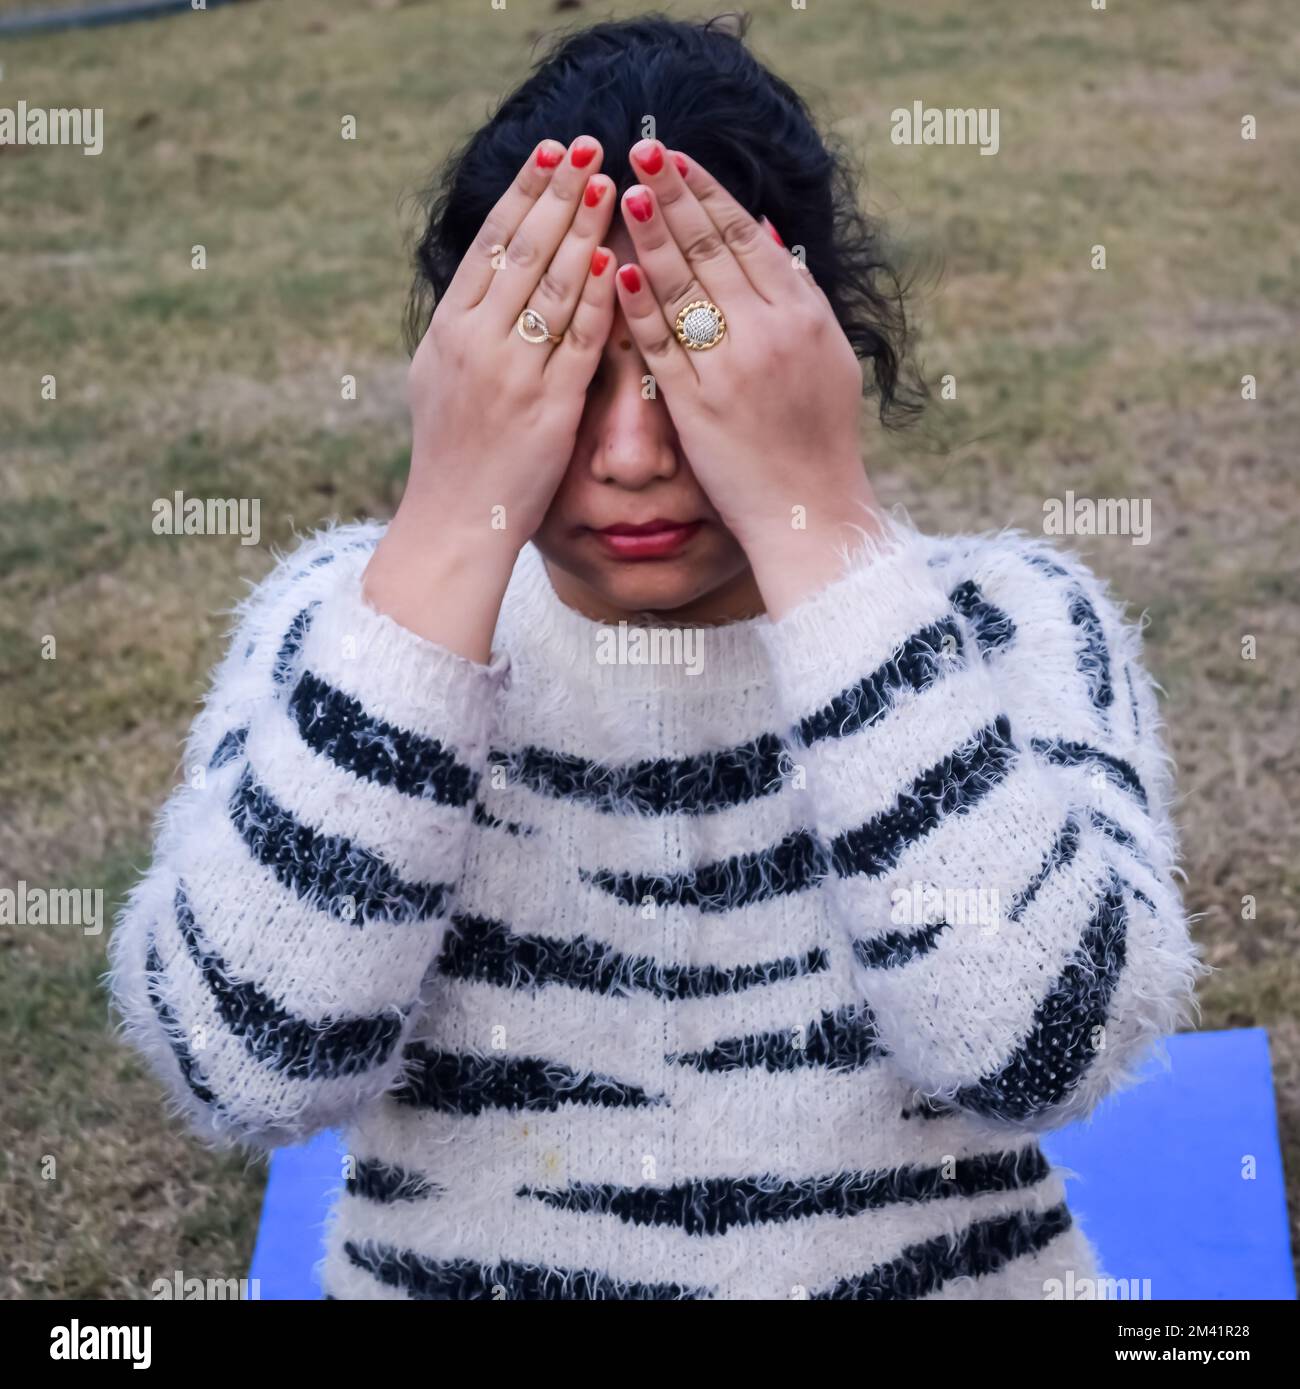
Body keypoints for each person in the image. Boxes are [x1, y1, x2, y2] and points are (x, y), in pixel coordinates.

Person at [109, 15, 1203, 1300]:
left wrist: (824, 528)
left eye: (696, 358)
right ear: (460, 371)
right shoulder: (345, 629)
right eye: (564, 373)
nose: (632, 453)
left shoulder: (1011, 624)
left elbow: (1035, 1054)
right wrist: (452, 531)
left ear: (817, 350)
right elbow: (247, 1066)